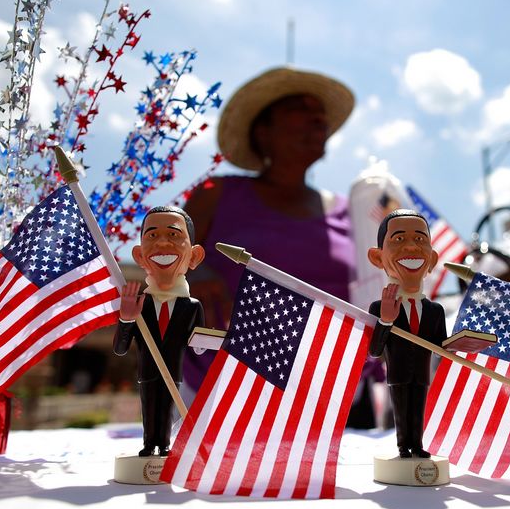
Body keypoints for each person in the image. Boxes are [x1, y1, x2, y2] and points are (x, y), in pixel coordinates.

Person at [182, 66, 362, 404]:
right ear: (263, 132)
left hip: (331, 391)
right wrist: (197, 269)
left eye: (320, 114)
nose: (317, 120)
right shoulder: (216, 192)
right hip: (220, 389)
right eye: (299, 110)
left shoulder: (349, 210)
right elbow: (165, 253)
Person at [367, 209, 488, 458]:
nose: (411, 247)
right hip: (398, 375)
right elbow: (374, 350)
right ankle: (403, 447)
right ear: (378, 258)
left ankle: (417, 445)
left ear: (432, 260)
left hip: (422, 375)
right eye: (399, 239)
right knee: (401, 411)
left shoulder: (434, 310)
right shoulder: (380, 308)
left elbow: (439, 345)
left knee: (419, 411)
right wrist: (386, 321)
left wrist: (459, 344)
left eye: (420, 239)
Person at [113, 206, 205, 456]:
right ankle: (148, 444)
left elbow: (200, 346)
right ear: (140, 256)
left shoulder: (193, 307)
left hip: (174, 374)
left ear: (194, 256)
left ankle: (164, 446)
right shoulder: (138, 305)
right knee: (149, 408)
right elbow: (120, 349)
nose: (162, 243)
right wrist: (126, 319)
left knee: (166, 410)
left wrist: (223, 340)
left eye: (174, 235)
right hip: (147, 373)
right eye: (151, 236)